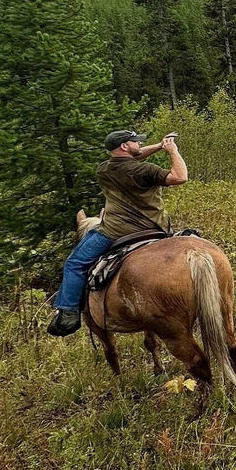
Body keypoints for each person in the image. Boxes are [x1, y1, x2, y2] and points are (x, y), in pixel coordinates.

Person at [46, 130, 188, 337]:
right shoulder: (145, 171)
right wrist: (172, 151)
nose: (139, 144)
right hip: (156, 228)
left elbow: (133, 156)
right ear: (124, 146)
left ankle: (68, 312)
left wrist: (158, 146)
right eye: (135, 141)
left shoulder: (104, 170)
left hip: (115, 231)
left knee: (75, 263)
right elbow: (180, 177)